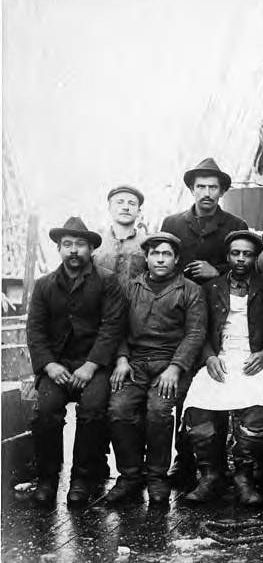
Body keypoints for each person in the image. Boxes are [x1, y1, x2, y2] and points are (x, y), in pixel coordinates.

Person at [160, 157, 248, 486]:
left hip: (220, 313)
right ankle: (184, 459)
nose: (207, 193)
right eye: (201, 187)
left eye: (213, 187)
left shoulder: (234, 222)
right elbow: (162, 262)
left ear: (222, 191)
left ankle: (220, 465)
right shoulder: (173, 222)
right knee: (186, 386)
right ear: (192, 189)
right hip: (181, 313)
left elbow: (245, 264)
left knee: (219, 378)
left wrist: (218, 272)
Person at [26, 217, 125, 506]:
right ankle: (47, 479)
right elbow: (35, 330)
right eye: (67, 244)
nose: (73, 250)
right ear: (58, 248)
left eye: (80, 244)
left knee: (93, 410)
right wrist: (48, 365)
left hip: (93, 364)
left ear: (91, 249)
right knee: (45, 411)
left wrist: (91, 365)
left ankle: (82, 478)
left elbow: (112, 327)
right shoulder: (44, 285)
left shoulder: (107, 281)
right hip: (56, 366)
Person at [105, 232, 206, 505]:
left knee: (159, 411)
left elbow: (195, 333)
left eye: (167, 254)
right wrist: (122, 359)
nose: (160, 259)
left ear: (176, 260)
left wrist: (176, 367)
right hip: (135, 362)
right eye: (155, 253)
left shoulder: (190, 290)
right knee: (119, 408)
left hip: (170, 362)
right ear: (147, 258)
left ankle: (157, 476)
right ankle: (129, 475)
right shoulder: (131, 288)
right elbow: (117, 328)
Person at [182, 230, 263, 505]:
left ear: (255, 257)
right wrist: (208, 357)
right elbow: (197, 329)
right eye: (235, 253)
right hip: (220, 358)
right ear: (227, 256)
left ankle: (243, 476)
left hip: (255, 359)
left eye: (247, 254)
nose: (241, 259)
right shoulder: (210, 287)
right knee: (199, 406)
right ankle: (210, 475)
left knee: (255, 410)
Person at [93, 184, 147, 289]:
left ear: (139, 212)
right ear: (109, 208)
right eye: (119, 202)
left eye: (131, 203)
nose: (125, 207)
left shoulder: (147, 244)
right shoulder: (96, 243)